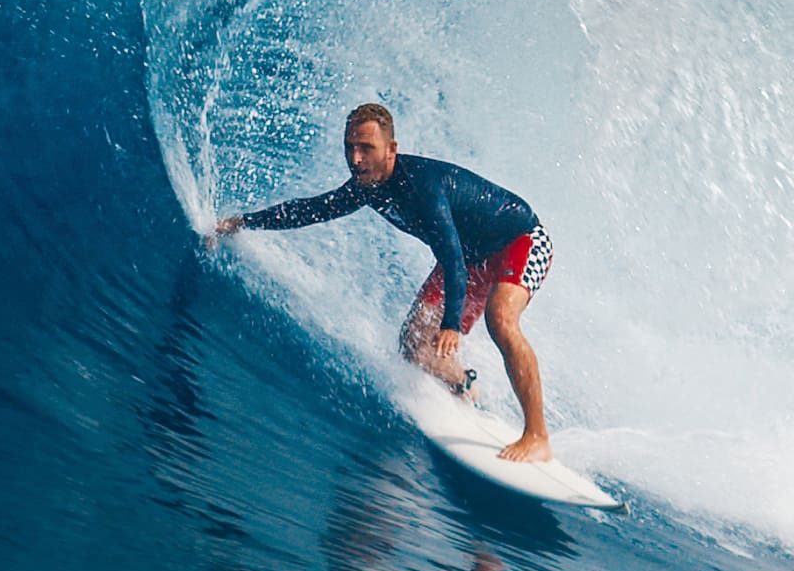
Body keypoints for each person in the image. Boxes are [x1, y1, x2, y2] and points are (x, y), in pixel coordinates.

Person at [210, 103, 554, 463]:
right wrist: (242, 222)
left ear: (392, 149)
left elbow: (451, 258)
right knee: (413, 344)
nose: (356, 159)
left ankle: (537, 435)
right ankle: (463, 385)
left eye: (366, 148)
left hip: (520, 240)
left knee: (500, 319)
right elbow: (310, 210)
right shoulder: (366, 187)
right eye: (349, 148)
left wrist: (451, 324)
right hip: (471, 256)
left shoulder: (423, 189)